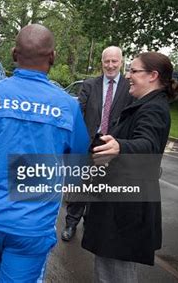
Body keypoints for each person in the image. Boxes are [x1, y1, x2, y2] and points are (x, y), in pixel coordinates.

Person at [0, 24, 89, 282]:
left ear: (13, 53)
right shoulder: (67, 106)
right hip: (31, 223)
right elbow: (78, 164)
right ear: (52, 57)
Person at [82, 52, 178, 282]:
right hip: (120, 205)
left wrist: (120, 147)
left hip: (125, 212)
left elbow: (148, 143)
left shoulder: (153, 109)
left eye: (134, 71)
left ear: (153, 76)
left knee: (116, 275)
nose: (128, 76)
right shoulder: (144, 104)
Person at [62, 46, 133, 241]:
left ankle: (92, 223)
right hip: (89, 143)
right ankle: (70, 224)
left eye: (114, 61)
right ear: (102, 62)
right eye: (106, 61)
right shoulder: (90, 84)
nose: (110, 65)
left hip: (113, 144)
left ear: (121, 62)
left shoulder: (129, 87)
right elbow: (78, 112)